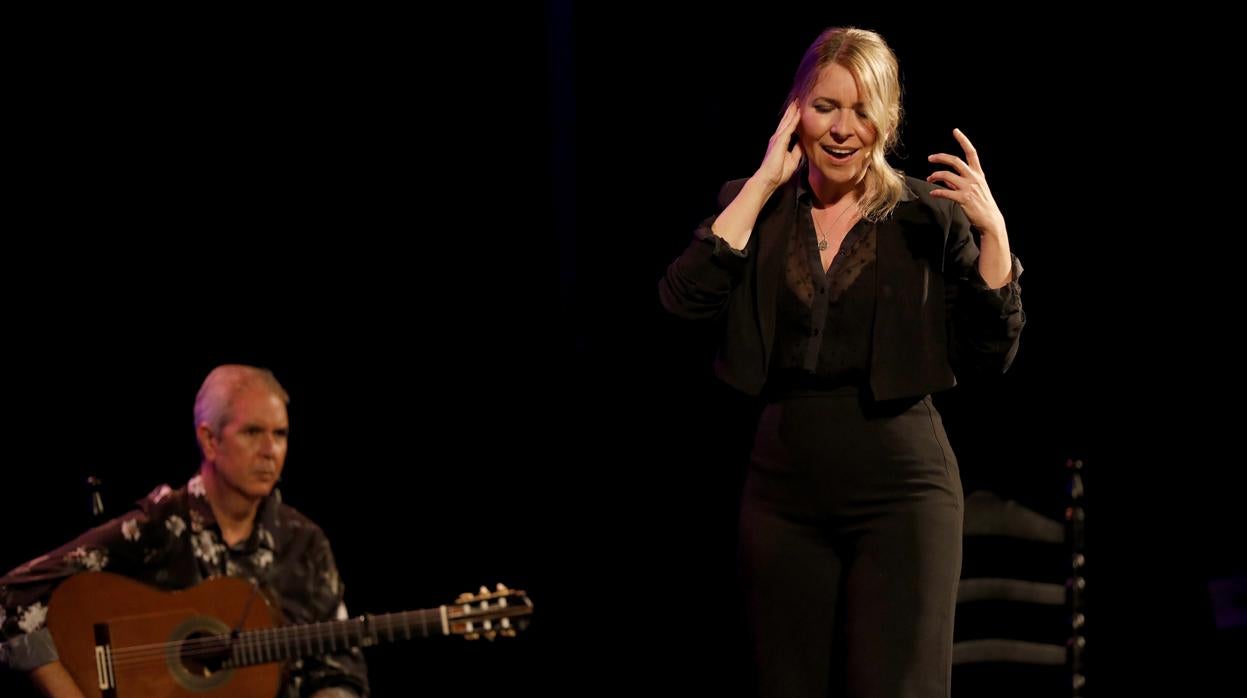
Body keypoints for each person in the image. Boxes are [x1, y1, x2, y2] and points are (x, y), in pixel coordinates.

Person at [658, 26, 1024, 698]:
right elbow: (683, 303)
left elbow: (989, 352)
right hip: (781, 497)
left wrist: (994, 235)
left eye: (862, 110)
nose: (842, 128)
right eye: (825, 105)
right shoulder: (755, 210)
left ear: (887, 118)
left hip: (903, 495)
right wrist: (766, 179)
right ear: (794, 108)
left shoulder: (924, 216)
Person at [0, 365, 368, 698]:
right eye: (253, 432)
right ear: (210, 440)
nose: (271, 450)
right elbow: (11, 596)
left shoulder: (304, 543)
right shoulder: (160, 527)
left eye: (281, 434)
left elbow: (340, 670)